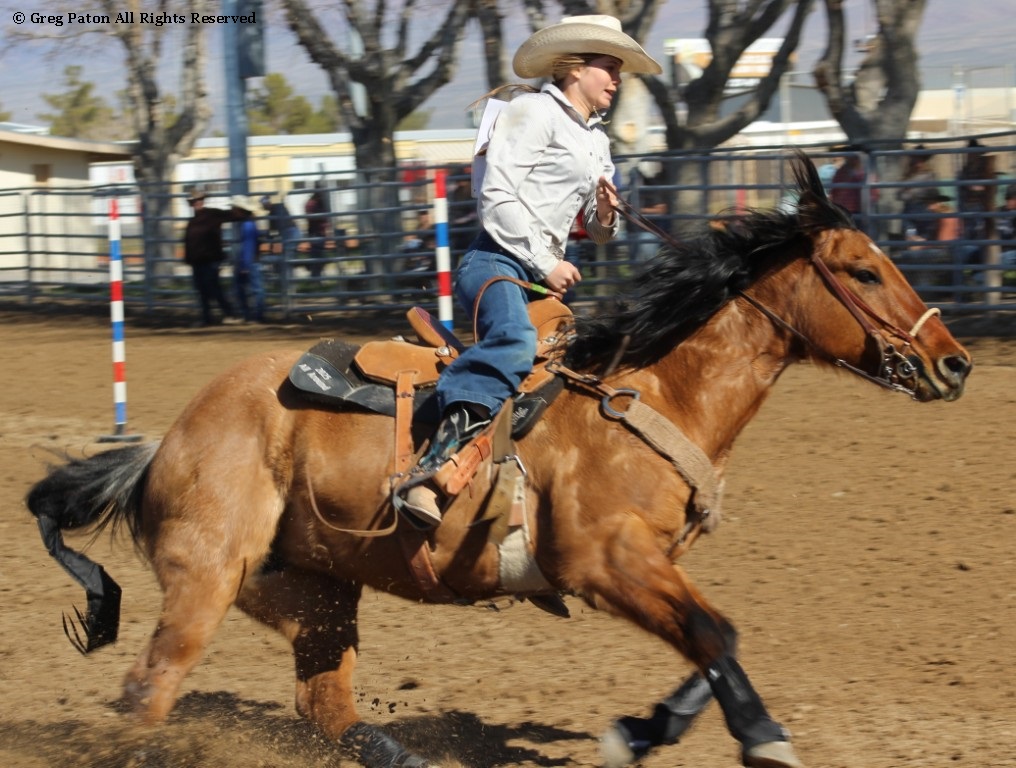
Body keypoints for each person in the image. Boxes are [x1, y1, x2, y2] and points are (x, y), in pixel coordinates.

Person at [396, 14, 661, 527]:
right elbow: (495, 198)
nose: (617, 79)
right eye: (609, 67)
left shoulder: (596, 141)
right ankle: (430, 472)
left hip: (543, 275)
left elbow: (598, 230)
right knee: (516, 344)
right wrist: (547, 262)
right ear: (575, 68)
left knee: (573, 376)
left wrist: (604, 214)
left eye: (618, 70)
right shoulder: (534, 112)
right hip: (496, 262)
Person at [183, 187, 243, 327]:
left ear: (203, 201)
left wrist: (246, 210)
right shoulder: (192, 221)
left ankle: (230, 314)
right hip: (197, 261)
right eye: (194, 201)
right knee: (202, 290)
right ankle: (206, 317)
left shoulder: (213, 214)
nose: (197, 203)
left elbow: (234, 215)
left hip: (211, 259)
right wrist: (189, 258)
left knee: (213, 288)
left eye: (199, 200)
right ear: (191, 204)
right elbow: (189, 242)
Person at [230, 195, 266, 323]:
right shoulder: (249, 223)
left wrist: (244, 265)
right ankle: (255, 315)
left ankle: (254, 315)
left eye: (234, 208)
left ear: (240, 209)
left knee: (248, 288)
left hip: (248, 261)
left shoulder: (247, 225)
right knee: (253, 288)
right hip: (251, 260)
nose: (232, 211)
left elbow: (248, 246)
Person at [897, 146, 940, 233]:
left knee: (923, 241)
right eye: (916, 158)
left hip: (924, 214)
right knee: (910, 237)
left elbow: (922, 192)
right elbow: (900, 195)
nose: (918, 161)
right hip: (909, 213)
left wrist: (909, 191)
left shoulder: (929, 175)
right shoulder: (908, 175)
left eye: (921, 158)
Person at [260, 193, 301, 278]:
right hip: (293, 232)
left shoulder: (276, 209)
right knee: (287, 257)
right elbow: (272, 233)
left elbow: (271, 233)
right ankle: (287, 280)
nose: (263, 207)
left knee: (287, 258)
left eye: (264, 205)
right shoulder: (277, 210)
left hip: (290, 234)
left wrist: (270, 246)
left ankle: (288, 283)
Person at [304, 184, 330, 278]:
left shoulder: (319, 203)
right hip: (315, 232)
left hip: (320, 232)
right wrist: (322, 217)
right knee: (317, 256)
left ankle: (316, 276)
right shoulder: (312, 203)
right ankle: (315, 277)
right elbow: (311, 216)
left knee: (319, 256)